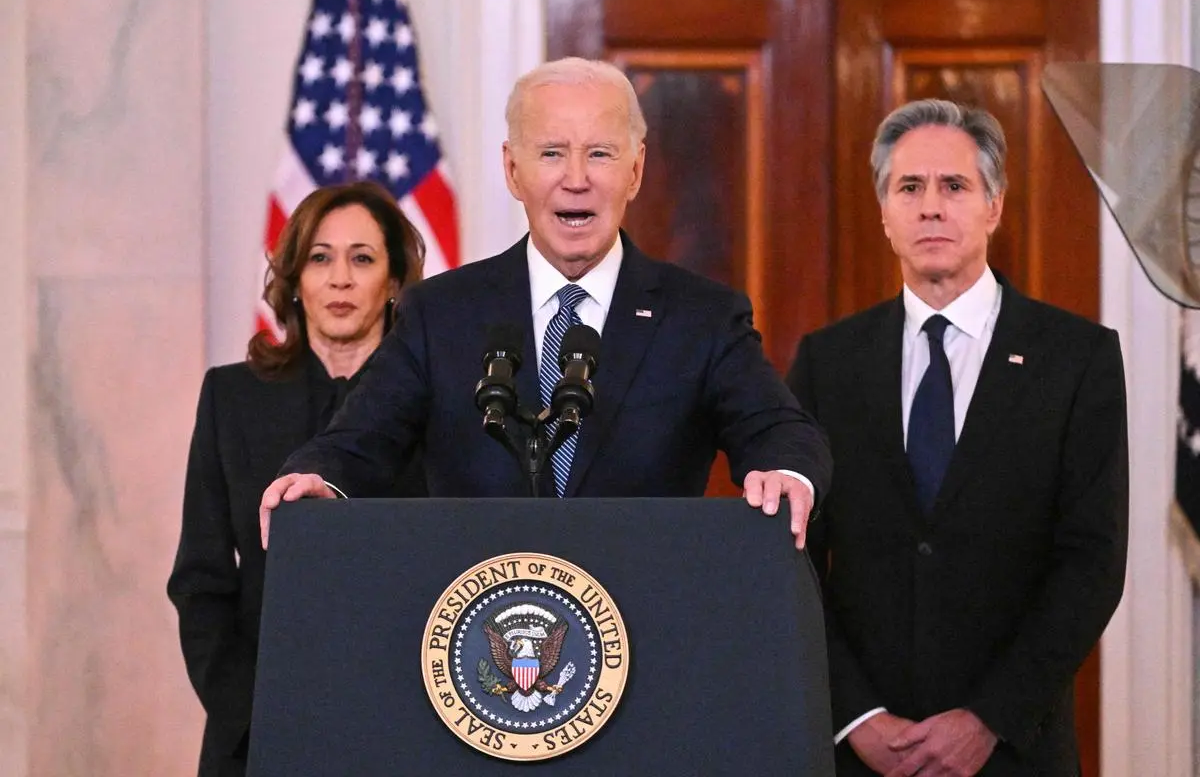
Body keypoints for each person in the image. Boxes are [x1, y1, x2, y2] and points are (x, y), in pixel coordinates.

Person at [258, 56, 832, 550]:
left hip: (645, 632)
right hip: (477, 638)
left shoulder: (701, 317)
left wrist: (785, 473)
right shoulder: (441, 314)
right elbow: (360, 442)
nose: (575, 179)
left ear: (636, 170)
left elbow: (780, 430)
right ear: (513, 169)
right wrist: (320, 478)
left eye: (601, 154)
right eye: (552, 153)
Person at [787, 99, 1128, 776]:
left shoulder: (1076, 358)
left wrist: (988, 720)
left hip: (1013, 750)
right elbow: (792, 558)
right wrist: (854, 716)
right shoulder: (827, 363)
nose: (931, 207)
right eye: (909, 187)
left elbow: (1091, 563)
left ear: (994, 205)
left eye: (954, 186)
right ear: (884, 212)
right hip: (860, 753)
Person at [167, 181, 426, 777]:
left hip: (406, 728)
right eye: (320, 257)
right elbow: (200, 582)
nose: (340, 278)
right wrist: (255, 718)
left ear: (392, 284)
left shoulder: (436, 407)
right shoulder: (232, 399)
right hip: (257, 734)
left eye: (362, 259)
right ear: (294, 279)